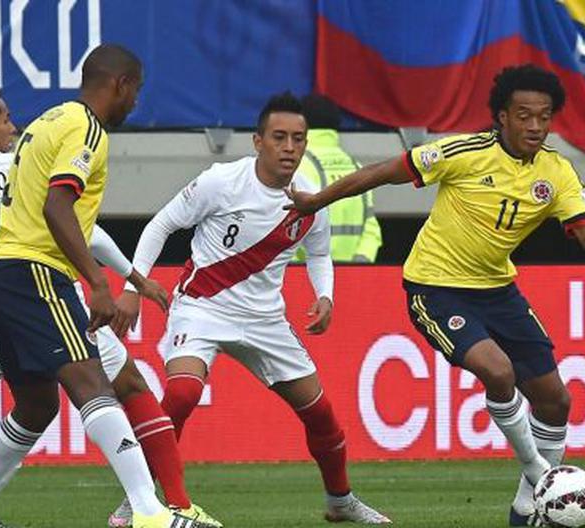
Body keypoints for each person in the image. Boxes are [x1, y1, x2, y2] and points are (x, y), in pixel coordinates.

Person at [286, 65, 585, 526]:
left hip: (498, 290)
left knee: (555, 401)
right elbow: (382, 172)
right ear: (502, 117)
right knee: (498, 370)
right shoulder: (463, 151)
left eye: (543, 117)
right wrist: (316, 200)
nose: (534, 126)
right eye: (524, 115)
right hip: (436, 287)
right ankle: (540, 473)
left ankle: (527, 510)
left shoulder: (557, 172)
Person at [0, 86, 221, 528]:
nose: (13, 127)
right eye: (4, 119)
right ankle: (165, 508)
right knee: (123, 388)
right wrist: (131, 279)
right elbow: (87, 232)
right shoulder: (26, 161)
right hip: (48, 294)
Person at [118, 92, 390, 524]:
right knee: (183, 393)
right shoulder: (220, 181)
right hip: (202, 307)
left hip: (265, 320)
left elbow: (318, 254)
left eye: (298, 139)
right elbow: (162, 224)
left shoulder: (311, 200)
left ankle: (340, 501)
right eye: (279, 137)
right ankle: (141, 499)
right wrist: (134, 286)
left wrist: (325, 296)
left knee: (320, 414)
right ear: (257, 141)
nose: (290, 147)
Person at [294, 94, 381, 263]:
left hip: (311, 276)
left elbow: (293, 231)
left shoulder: (298, 166)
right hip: (353, 277)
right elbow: (371, 229)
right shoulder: (356, 167)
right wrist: (359, 266)